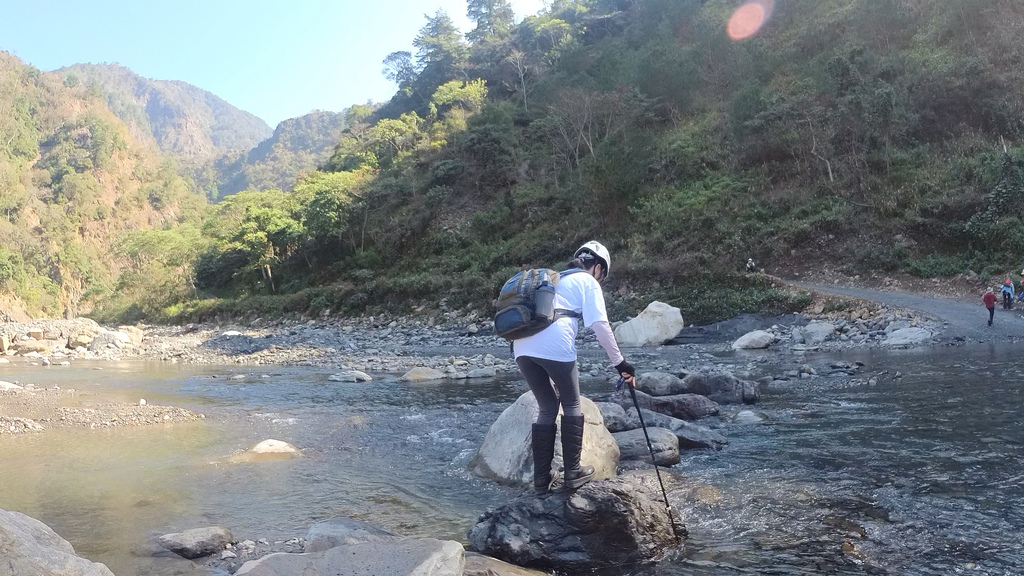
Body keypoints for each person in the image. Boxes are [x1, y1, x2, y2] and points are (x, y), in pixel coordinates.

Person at [512, 241, 635, 493]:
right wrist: (620, 363)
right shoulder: (587, 281)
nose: (601, 280)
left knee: (547, 407)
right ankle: (572, 473)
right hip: (554, 343)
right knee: (571, 404)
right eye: (603, 275)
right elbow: (600, 325)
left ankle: (541, 480)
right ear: (598, 268)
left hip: (520, 346)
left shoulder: (554, 280)